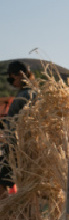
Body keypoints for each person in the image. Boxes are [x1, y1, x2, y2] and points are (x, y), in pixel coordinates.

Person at [0, 62, 34, 191]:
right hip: (19, 147)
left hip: (16, 148)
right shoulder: (28, 93)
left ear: (20, 75)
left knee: (2, 182)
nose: (10, 83)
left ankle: (5, 209)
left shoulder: (26, 95)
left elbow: (18, 122)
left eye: (11, 78)